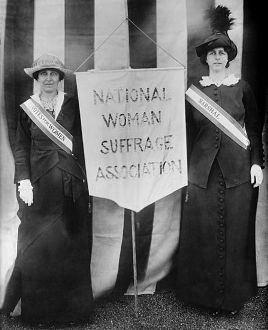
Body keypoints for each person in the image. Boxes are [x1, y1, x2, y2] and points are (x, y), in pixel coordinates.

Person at [176, 6, 264, 315]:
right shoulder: (193, 91)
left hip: (239, 173)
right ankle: (205, 298)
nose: (217, 57)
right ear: (205, 57)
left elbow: (252, 128)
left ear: (229, 56)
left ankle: (230, 301)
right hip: (202, 176)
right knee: (205, 235)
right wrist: (185, 174)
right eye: (212, 52)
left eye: (222, 52)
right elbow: (185, 136)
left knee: (235, 234)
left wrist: (256, 162)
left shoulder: (243, 88)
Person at [1, 54, 94, 324]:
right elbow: (21, 148)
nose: (49, 78)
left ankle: (73, 313)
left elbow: (86, 142)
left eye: (54, 73)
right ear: (37, 79)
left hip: (71, 187)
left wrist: (86, 178)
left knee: (71, 246)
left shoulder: (74, 105)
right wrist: (24, 180)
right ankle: (40, 313)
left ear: (60, 77)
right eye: (44, 74)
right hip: (38, 189)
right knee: (38, 249)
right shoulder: (26, 109)